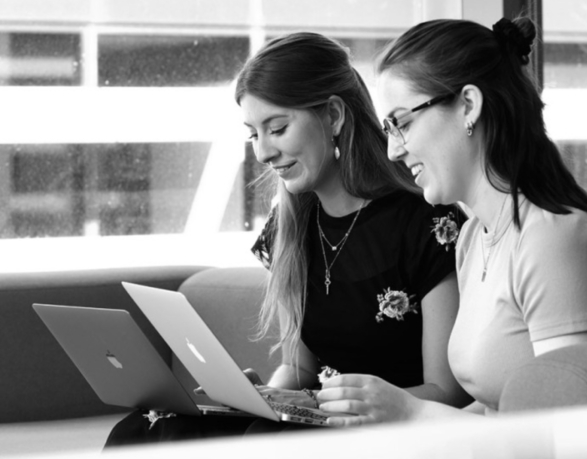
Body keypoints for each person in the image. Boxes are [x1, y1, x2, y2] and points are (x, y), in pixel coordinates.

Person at [104, 32, 467, 447]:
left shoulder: (430, 222)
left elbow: (447, 393)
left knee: (261, 439)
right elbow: (299, 370)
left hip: (389, 430)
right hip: (315, 420)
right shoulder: (289, 226)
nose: (262, 152)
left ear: (333, 115)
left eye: (276, 128)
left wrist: (332, 410)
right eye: (253, 134)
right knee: (146, 426)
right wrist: (264, 395)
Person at [316, 16, 587, 425]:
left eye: (402, 123)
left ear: (469, 106)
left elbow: (566, 433)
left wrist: (410, 413)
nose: (393, 151)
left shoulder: (556, 238)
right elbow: (497, 407)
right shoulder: (475, 236)